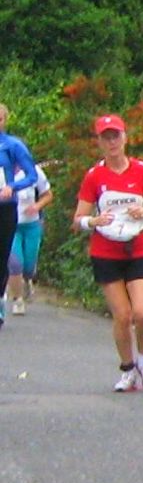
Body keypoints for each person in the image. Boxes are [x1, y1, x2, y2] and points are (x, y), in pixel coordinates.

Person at [72, 114, 143, 392]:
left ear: (125, 138)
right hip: (106, 251)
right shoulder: (94, 176)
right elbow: (78, 219)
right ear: (99, 142)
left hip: (137, 247)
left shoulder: (141, 171)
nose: (112, 142)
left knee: (142, 313)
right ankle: (127, 369)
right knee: (122, 315)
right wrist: (93, 221)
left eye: (116, 136)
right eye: (106, 137)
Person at [0, 103, 37, 329]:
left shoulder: (13, 145)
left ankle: (1, 299)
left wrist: (12, 186)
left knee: (2, 256)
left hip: (5, 207)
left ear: (5, 121)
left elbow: (31, 175)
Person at [8, 159, 53, 314]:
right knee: (15, 264)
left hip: (32, 225)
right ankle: (18, 300)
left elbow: (48, 195)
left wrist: (37, 206)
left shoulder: (33, 171)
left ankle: (27, 279)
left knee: (28, 265)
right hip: (10, 226)